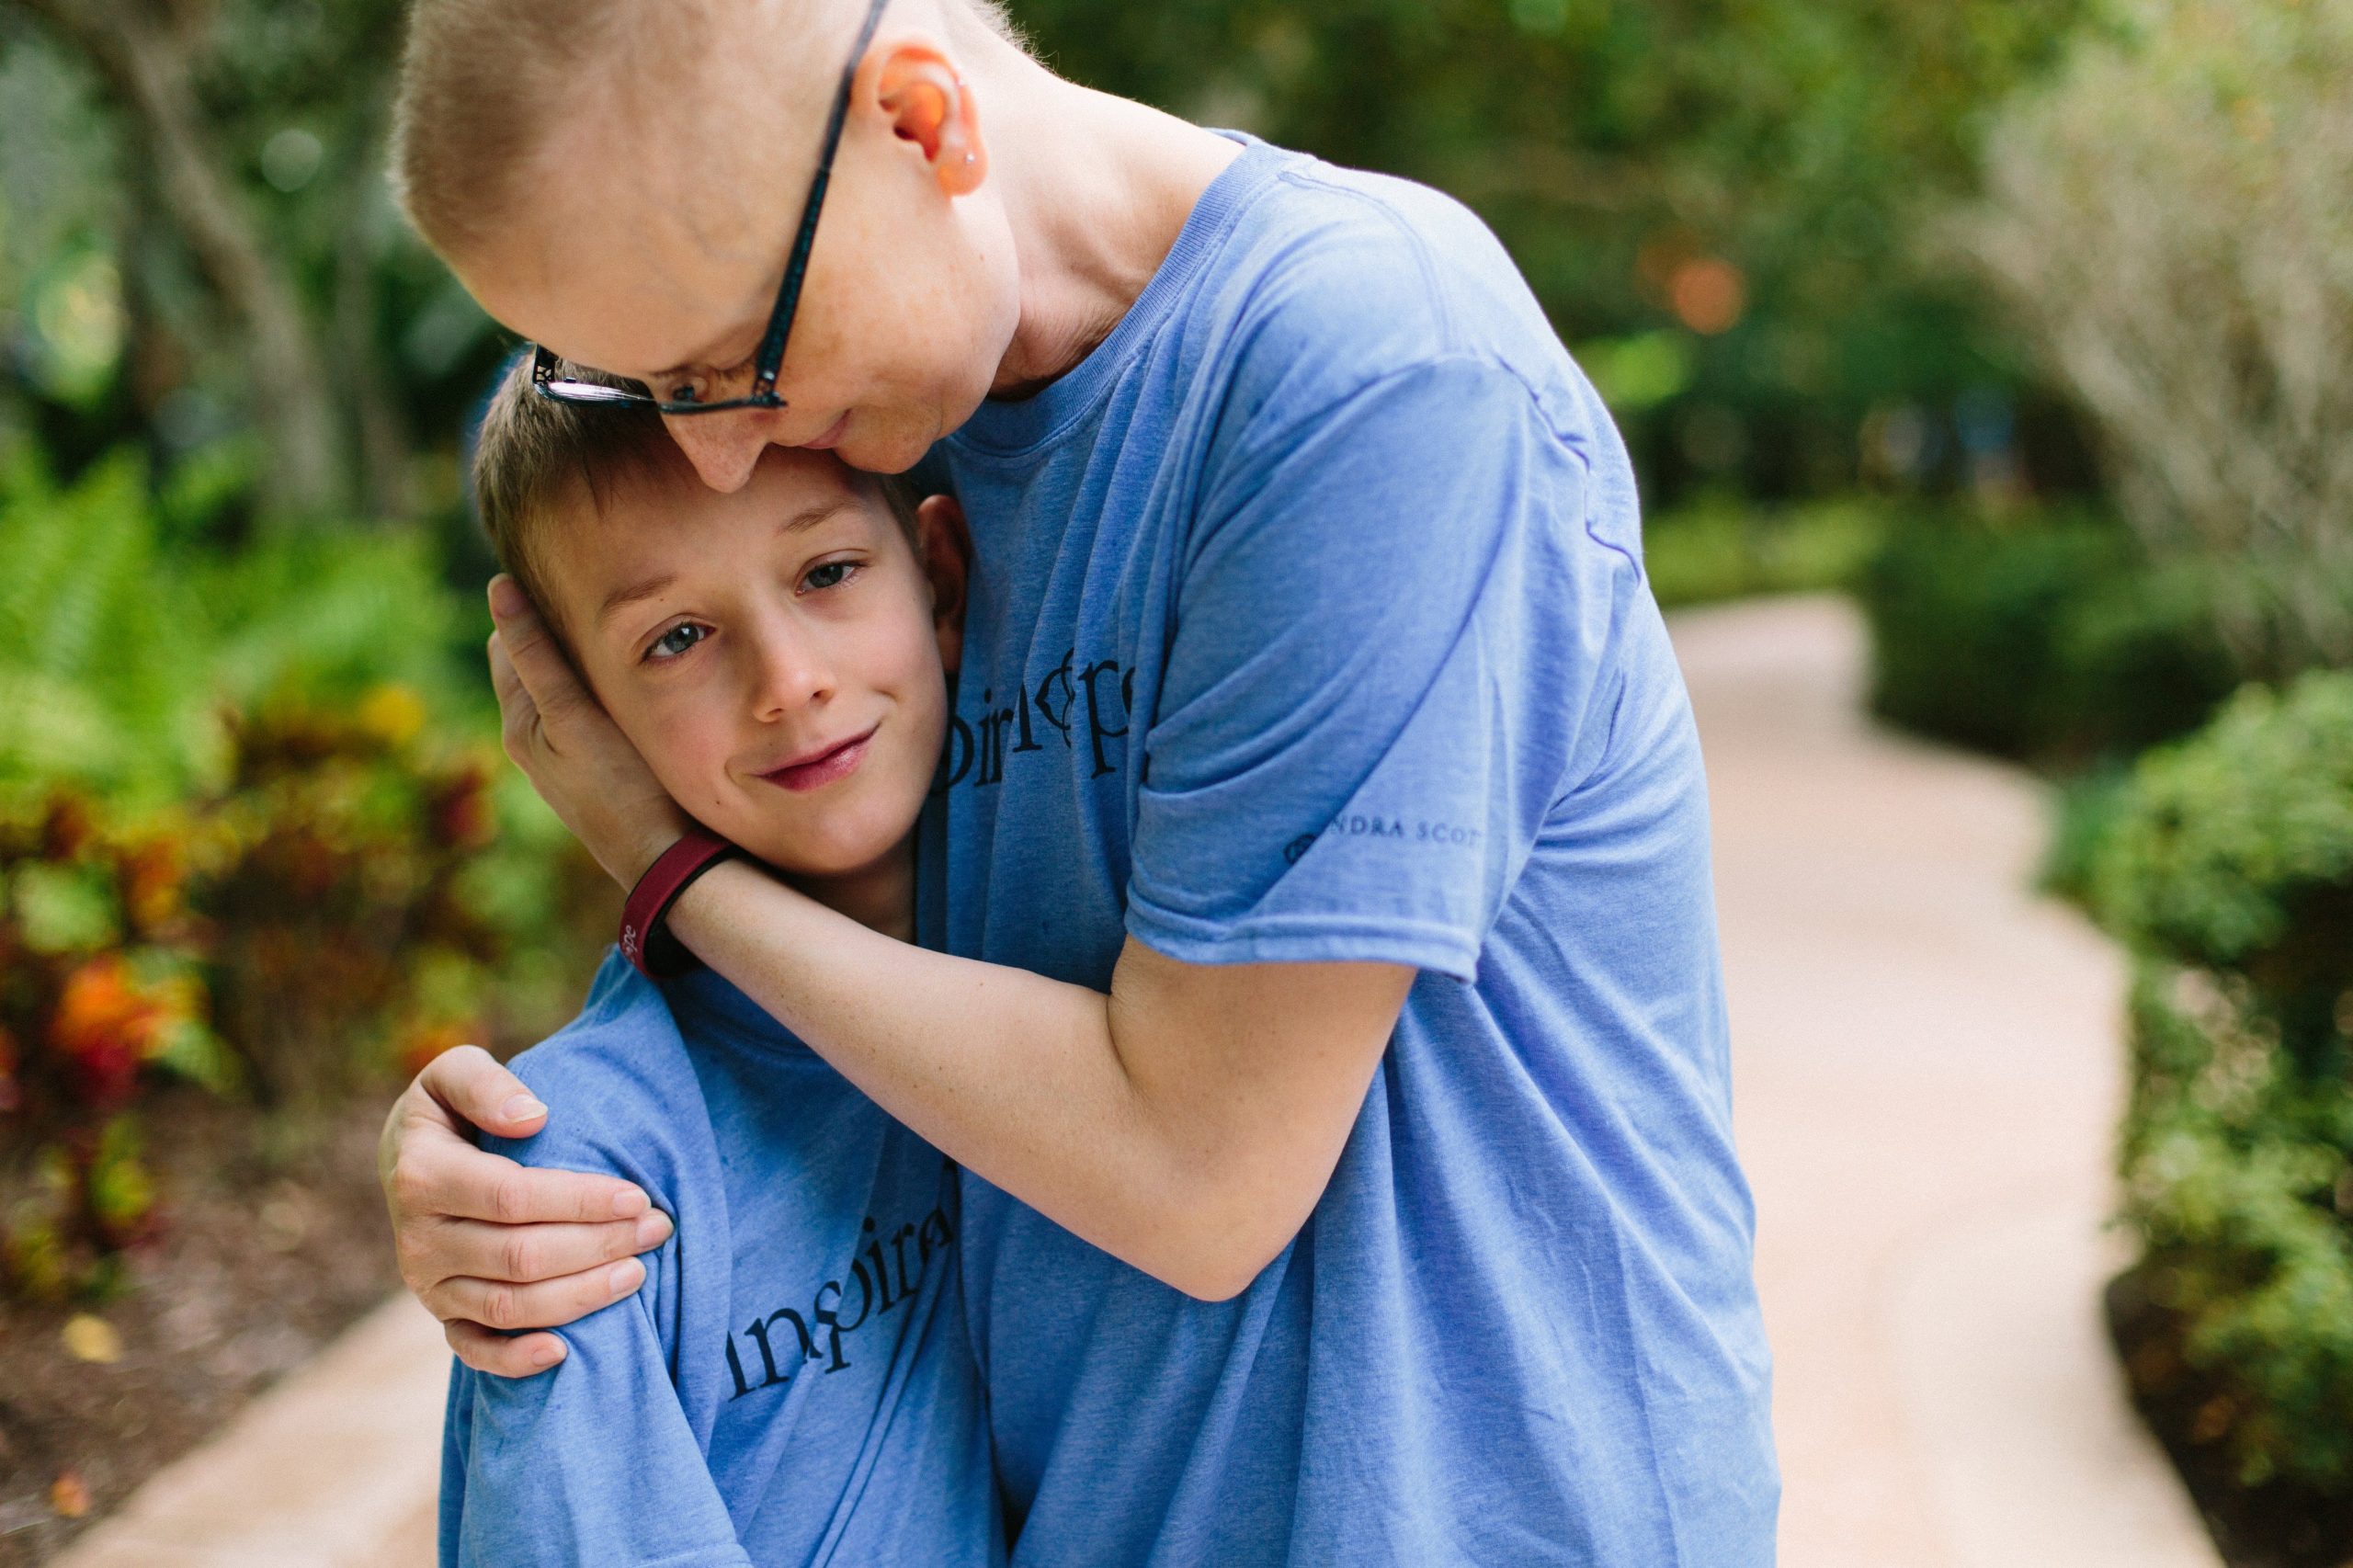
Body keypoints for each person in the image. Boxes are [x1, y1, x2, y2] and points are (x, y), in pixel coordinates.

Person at [381, 0, 1781, 1559]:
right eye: (649, 392)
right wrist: (538, 1159)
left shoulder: (1368, 367)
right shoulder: (912, 416)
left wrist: (667, 872)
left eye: (730, 363)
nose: (722, 459)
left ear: (923, 126)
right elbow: (905, 988)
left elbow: (1200, 1171)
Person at [439, 364, 1000, 1567]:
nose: (787, 679)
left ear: (940, 577)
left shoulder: (1077, 974)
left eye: (826, 572)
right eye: (678, 636)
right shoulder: (585, 1179)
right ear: (578, 714)